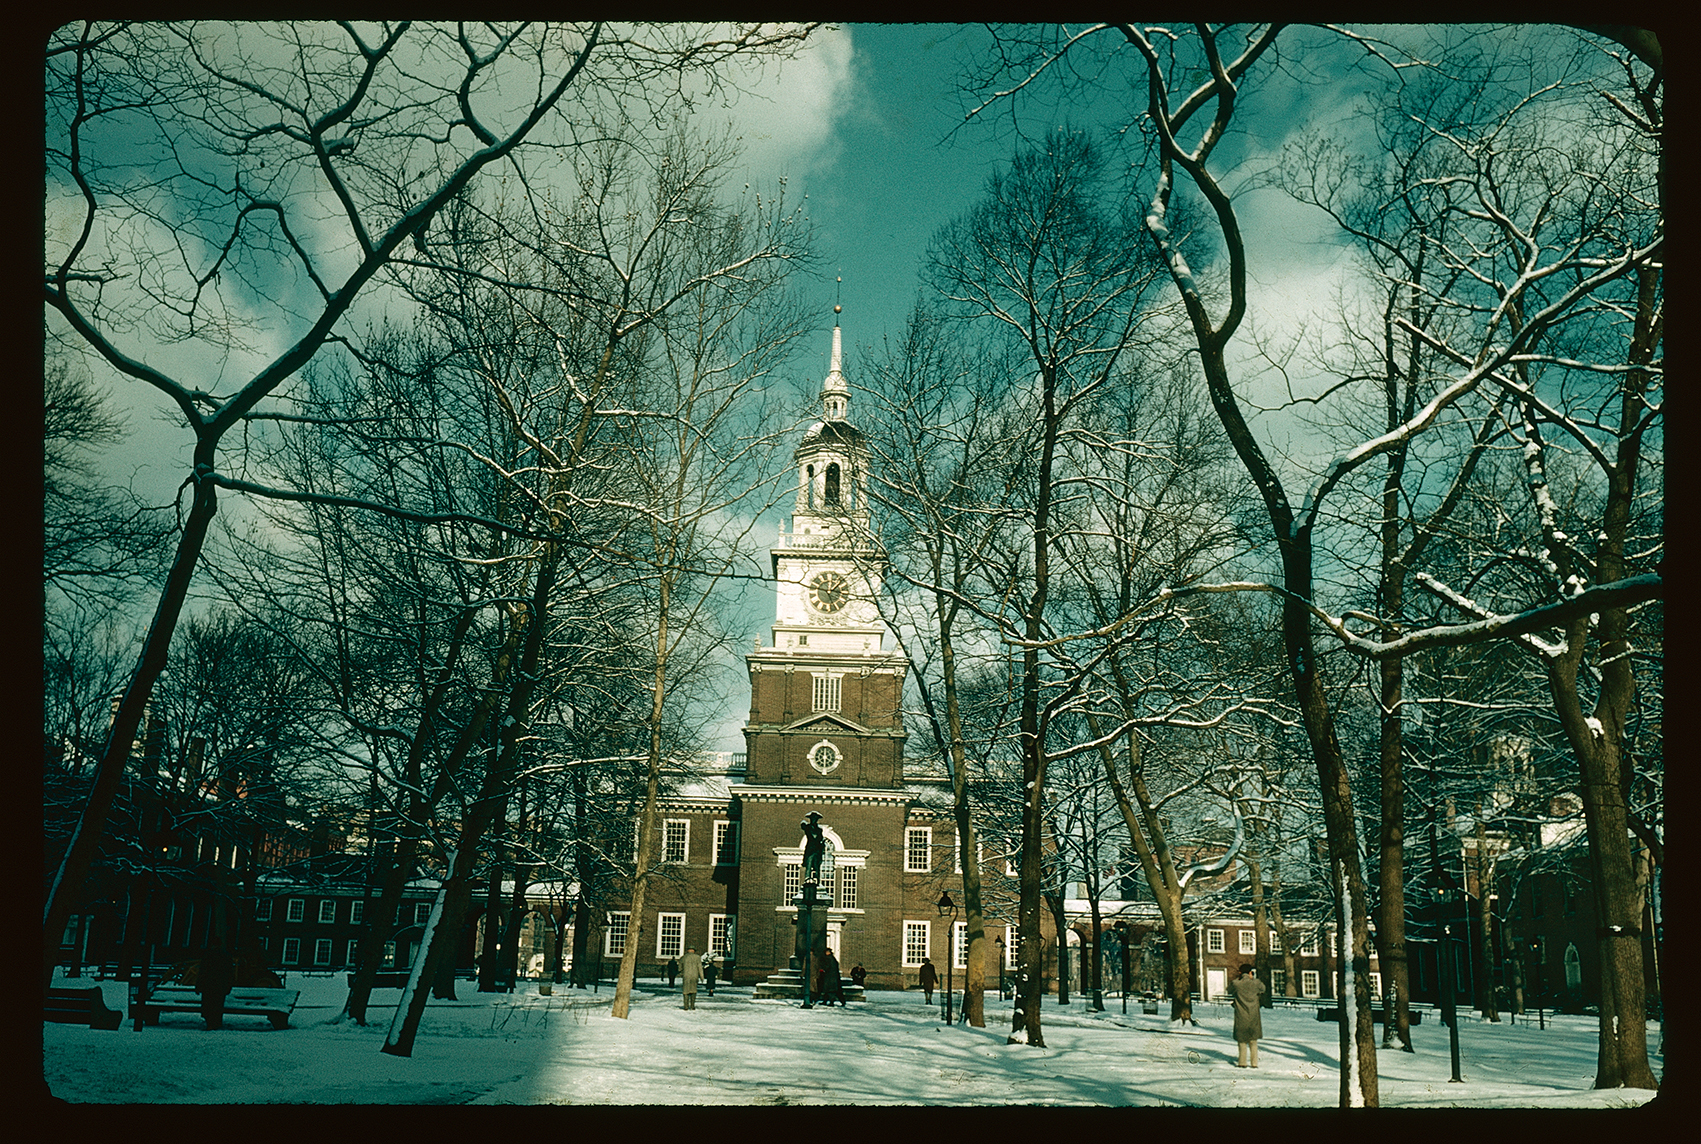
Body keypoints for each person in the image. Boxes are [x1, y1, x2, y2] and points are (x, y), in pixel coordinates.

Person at [1227, 963, 1266, 1067]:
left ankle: (1242, 1062)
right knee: (1253, 1041)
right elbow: (1263, 989)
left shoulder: (1236, 984)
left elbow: (1229, 990)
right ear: (1250, 972)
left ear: (1240, 973)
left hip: (1241, 1015)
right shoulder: (1256, 983)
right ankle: (1254, 1063)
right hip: (1253, 1015)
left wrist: (1238, 979)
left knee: (1242, 1041)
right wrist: (1252, 978)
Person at [197, 942, 235, 1031]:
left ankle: (210, 1023)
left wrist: (199, 985)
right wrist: (228, 985)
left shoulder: (208, 956)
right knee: (218, 1005)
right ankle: (217, 1023)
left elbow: (202, 972)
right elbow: (230, 973)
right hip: (220, 985)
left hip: (208, 985)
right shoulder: (226, 956)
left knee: (208, 1005)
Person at [680, 945, 702, 1010]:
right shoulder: (697, 957)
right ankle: (692, 1006)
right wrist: (701, 976)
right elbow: (700, 968)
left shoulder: (683, 958)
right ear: (694, 950)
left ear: (688, 950)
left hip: (686, 976)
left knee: (686, 991)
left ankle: (686, 1006)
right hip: (694, 976)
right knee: (693, 990)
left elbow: (680, 968)